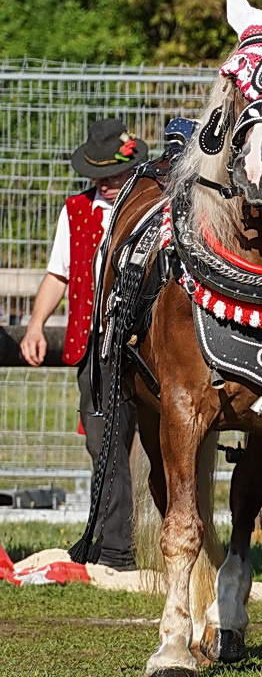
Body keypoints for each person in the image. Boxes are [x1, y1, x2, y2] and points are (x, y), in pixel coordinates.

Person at [20, 117, 145, 570]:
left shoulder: (152, 207)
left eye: (115, 172)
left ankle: (124, 543)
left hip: (142, 341)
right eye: (101, 174)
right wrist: (36, 326)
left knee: (149, 441)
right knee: (103, 442)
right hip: (95, 344)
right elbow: (58, 273)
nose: (109, 182)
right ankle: (112, 544)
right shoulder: (75, 211)